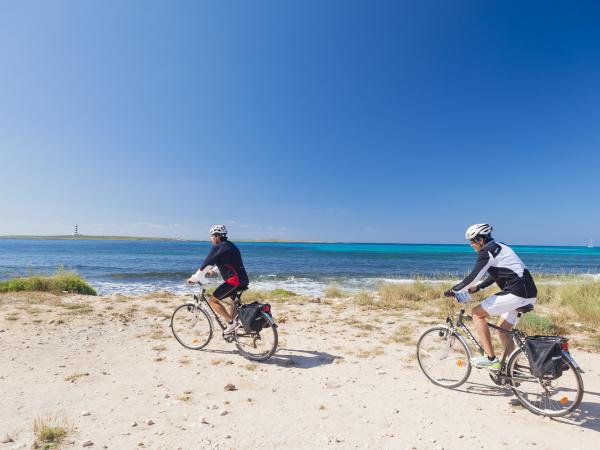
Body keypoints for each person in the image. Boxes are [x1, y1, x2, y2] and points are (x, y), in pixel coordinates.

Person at [444, 223, 537, 369]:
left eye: (472, 241)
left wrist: (454, 290)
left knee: (476, 314)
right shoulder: (501, 247)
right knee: (502, 330)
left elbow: (474, 276)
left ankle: (491, 358)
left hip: (517, 293)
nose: (471, 245)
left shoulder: (486, 251)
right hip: (529, 293)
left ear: (481, 240)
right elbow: (496, 274)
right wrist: (479, 287)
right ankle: (513, 369)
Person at [187, 224, 249, 335]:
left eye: (212, 236)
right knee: (233, 302)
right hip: (243, 279)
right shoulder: (231, 246)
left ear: (217, 236)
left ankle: (231, 323)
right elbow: (228, 262)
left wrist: (194, 278)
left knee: (212, 301)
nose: (211, 239)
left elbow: (205, 265)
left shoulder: (218, 247)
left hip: (233, 281)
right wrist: (214, 270)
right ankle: (236, 326)